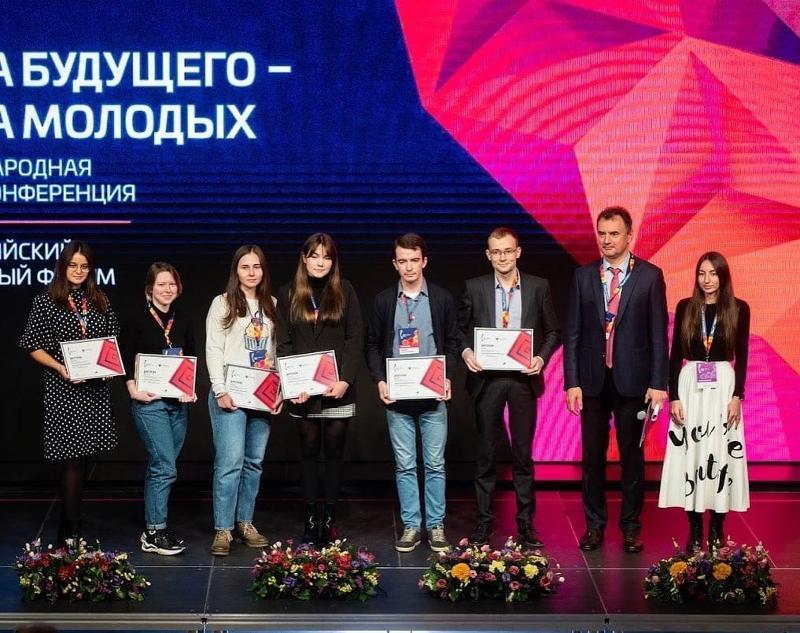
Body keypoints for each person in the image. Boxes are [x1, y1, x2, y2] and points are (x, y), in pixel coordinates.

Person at [563, 207, 669, 553]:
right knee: (592, 459)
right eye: (602, 234)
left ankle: (631, 528)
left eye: (614, 234)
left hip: (633, 381)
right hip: (592, 382)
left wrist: (659, 383)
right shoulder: (583, 277)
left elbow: (658, 335)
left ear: (629, 235)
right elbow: (572, 333)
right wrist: (571, 381)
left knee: (631, 459)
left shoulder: (650, 276)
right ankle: (594, 527)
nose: (606, 241)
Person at [459, 227, 561, 548]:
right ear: (488, 255)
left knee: (523, 456)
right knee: (485, 456)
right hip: (487, 380)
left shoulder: (538, 286)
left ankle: (526, 524)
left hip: (522, 379)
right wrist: (467, 352)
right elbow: (458, 330)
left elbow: (553, 331)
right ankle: (483, 524)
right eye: (496, 252)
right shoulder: (474, 287)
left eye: (507, 251)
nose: (502, 257)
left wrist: (541, 359)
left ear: (518, 252)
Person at [19, 240, 120, 544]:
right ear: (63, 267)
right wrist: (61, 368)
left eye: (84, 266)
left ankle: (70, 527)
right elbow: (32, 345)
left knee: (83, 459)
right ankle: (71, 531)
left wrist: (108, 366)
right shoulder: (47, 300)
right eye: (73, 265)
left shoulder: (100, 299)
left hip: (94, 390)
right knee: (72, 460)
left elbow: (111, 340)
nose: (78, 271)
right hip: (64, 389)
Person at [365, 233, 460, 553]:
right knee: (405, 465)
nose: (409, 267)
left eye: (414, 260)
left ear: (424, 261)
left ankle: (435, 526)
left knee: (435, 464)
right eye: (402, 261)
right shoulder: (383, 301)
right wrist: (380, 380)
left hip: (433, 396)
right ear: (395, 264)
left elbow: (452, 341)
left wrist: (447, 376)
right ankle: (411, 526)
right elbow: (372, 345)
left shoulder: (441, 299)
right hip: (398, 398)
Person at [659, 252, 750, 551]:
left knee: (720, 455)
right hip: (690, 385)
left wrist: (737, 396)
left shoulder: (738, 308)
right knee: (692, 455)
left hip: (723, 386)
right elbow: (674, 356)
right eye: (701, 273)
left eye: (712, 273)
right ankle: (695, 528)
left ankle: (717, 526)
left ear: (723, 276)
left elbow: (743, 356)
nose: (707, 280)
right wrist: (674, 397)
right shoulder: (686, 307)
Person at [276, 233, 363, 544]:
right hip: (302, 393)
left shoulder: (345, 290)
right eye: (315, 256)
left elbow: (355, 338)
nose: (320, 262)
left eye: (326, 257)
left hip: (337, 388)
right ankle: (311, 518)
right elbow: (284, 343)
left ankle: (330, 517)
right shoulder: (288, 293)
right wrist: (291, 385)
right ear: (304, 258)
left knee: (335, 453)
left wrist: (345, 380)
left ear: (333, 261)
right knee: (309, 453)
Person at [206, 245, 279, 556]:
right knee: (229, 463)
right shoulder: (222, 303)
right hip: (231, 394)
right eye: (245, 267)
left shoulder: (273, 305)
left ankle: (245, 522)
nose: (251, 272)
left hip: (261, 394)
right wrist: (219, 389)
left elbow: (277, 353)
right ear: (236, 271)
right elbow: (213, 348)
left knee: (254, 463)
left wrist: (279, 391)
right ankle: (223, 528)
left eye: (257, 266)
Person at [121, 262, 196, 556]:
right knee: (164, 466)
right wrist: (132, 389)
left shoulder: (184, 319)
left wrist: (189, 388)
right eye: (161, 284)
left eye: (172, 284)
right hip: (149, 402)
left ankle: (155, 527)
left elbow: (190, 357)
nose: (167, 289)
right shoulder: (136, 319)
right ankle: (154, 531)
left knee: (163, 466)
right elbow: (125, 356)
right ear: (149, 289)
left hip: (177, 404)